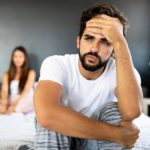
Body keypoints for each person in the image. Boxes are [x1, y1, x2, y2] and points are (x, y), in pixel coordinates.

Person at [33, 3, 143, 150]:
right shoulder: (57, 63)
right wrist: (118, 134)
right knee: (50, 119)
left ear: (113, 49)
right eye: (89, 38)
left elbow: (131, 112)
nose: (94, 48)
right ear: (78, 41)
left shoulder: (123, 70)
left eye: (105, 42)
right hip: (62, 135)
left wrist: (120, 43)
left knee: (114, 111)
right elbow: (46, 115)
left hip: (98, 141)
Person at [0, 46, 36, 114]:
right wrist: (4, 104)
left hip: (24, 98)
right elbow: (4, 91)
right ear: (12, 58)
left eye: (20, 56)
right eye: (15, 56)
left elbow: (25, 91)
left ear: (25, 58)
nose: (17, 59)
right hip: (11, 99)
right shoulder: (7, 74)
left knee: (20, 105)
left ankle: (14, 109)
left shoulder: (31, 72)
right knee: (2, 106)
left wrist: (13, 106)